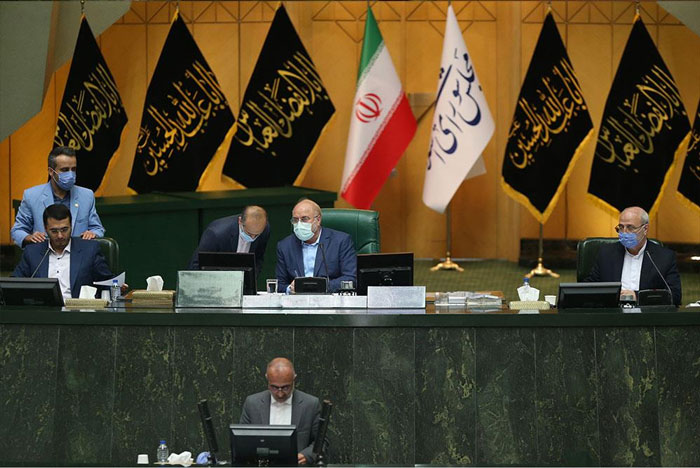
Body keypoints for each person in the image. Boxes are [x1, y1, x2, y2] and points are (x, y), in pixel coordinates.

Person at [12, 204, 117, 301]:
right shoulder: (32, 252)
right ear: (45, 228)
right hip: (44, 311)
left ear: (71, 226)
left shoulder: (89, 250)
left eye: (64, 230)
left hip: (79, 310)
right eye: (54, 231)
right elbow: (13, 285)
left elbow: (106, 282)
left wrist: (117, 287)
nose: (60, 236)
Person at [585, 206, 682, 305]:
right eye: (621, 227)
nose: (624, 232)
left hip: (646, 312)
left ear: (645, 229)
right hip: (613, 311)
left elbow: (674, 296)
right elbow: (588, 289)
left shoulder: (664, 257)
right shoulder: (606, 254)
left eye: (630, 227)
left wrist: (637, 296)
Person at [11, 146, 105, 248]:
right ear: (51, 171)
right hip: (44, 254)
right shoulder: (31, 196)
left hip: (78, 254)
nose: (70, 174)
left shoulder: (87, 195)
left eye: (73, 169)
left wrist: (93, 233)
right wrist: (30, 237)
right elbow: (17, 231)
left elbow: (98, 229)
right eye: (65, 170)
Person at [239, 358, 321, 466]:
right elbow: (241, 440)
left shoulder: (310, 404)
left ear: (294, 379)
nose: (280, 394)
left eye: (286, 387)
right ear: (267, 379)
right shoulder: (252, 404)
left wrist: (307, 455)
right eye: (274, 387)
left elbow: (321, 441)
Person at [276, 199, 356, 293]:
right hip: (297, 299)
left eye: (304, 219)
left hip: (330, 298)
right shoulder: (285, 246)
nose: (299, 224)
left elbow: (350, 278)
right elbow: (279, 284)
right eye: (295, 220)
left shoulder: (341, 241)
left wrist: (319, 286)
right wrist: (290, 288)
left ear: (318, 220)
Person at [188, 205, 270, 275]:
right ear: (240, 221)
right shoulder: (216, 233)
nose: (252, 238)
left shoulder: (264, 229)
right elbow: (196, 265)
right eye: (249, 233)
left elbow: (257, 259)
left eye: (256, 235)